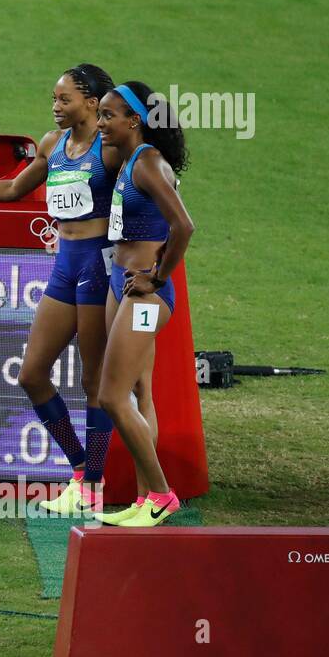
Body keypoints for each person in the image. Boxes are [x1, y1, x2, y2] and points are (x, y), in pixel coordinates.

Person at [0, 64, 139, 514]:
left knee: (93, 381)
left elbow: (148, 185)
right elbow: (14, 188)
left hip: (98, 265)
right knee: (31, 375)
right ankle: (81, 470)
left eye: (65, 99)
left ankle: (91, 485)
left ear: (92, 103)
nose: (56, 106)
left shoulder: (110, 149)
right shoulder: (53, 144)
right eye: (53, 98)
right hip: (64, 265)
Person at [92, 82, 194, 527]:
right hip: (122, 283)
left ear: (134, 120)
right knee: (137, 392)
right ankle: (142, 498)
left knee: (111, 396)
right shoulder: (128, 158)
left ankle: (161, 494)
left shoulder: (149, 162)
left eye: (108, 115)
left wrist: (158, 277)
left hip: (145, 294)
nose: (101, 123)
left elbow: (184, 226)